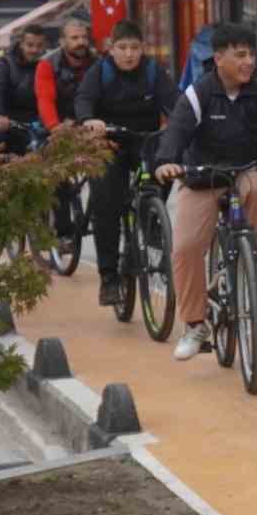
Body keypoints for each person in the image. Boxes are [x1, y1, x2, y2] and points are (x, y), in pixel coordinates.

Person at [156, 23, 257, 361]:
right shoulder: (198, 93)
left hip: (246, 170)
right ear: (218, 58)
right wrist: (167, 160)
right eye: (240, 55)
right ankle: (195, 325)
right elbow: (177, 130)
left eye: (251, 55)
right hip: (203, 178)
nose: (249, 62)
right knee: (185, 248)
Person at [77, 20, 179, 307]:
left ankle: (150, 219)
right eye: (122, 48)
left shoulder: (153, 71)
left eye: (134, 47)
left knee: (167, 167)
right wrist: (89, 119)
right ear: (111, 49)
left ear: (142, 48)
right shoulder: (100, 72)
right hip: (109, 142)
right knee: (106, 204)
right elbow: (84, 99)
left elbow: (175, 101)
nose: (129, 54)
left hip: (145, 141)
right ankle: (109, 276)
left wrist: (182, 123)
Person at [36, 16, 99, 254]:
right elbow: (45, 99)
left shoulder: (97, 62)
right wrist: (55, 128)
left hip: (90, 126)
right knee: (58, 175)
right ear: (62, 41)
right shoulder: (47, 65)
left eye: (84, 37)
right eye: (74, 38)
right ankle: (62, 232)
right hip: (57, 127)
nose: (81, 42)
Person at [0, 25, 48, 154]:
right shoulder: (4, 64)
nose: (35, 50)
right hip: (8, 121)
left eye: (39, 46)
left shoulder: (46, 65)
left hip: (36, 124)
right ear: (21, 44)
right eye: (30, 45)